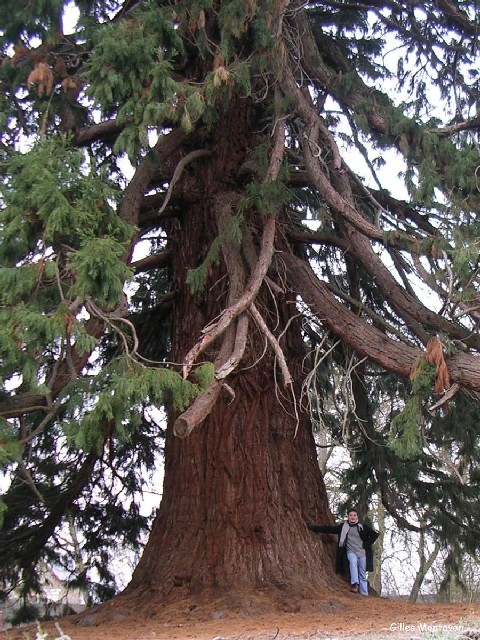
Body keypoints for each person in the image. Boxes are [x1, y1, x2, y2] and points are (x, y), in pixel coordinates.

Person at [307, 507, 379, 596]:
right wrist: (314, 528)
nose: (352, 517)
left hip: (362, 553)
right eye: (351, 515)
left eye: (354, 515)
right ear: (348, 516)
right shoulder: (343, 527)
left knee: (362, 573)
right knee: (352, 562)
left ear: (357, 516)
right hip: (350, 551)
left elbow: (375, 535)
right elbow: (329, 529)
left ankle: (364, 594)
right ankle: (354, 584)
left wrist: (367, 544)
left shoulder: (363, 526)